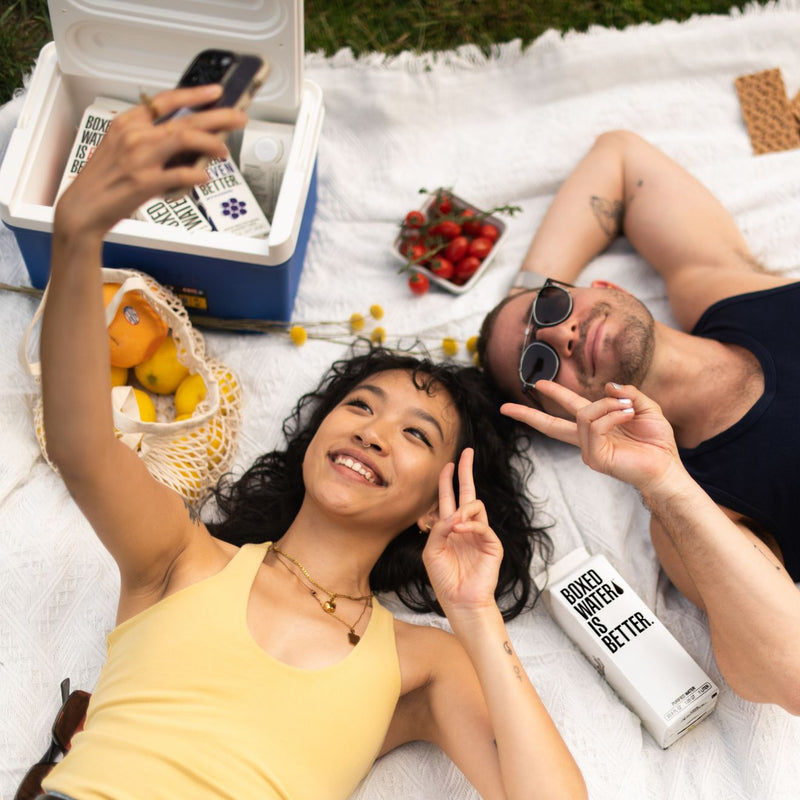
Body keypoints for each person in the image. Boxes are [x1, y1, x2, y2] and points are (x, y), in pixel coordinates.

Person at [31, 84, 587, 800]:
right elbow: (83, 448)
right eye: (360, 405)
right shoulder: (180, 554)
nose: (373, 431)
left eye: (415, 434)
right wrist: (76, 233)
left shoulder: (421, 666)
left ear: (435, 504)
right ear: (317, 438)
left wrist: (475, 615)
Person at [477, 129, 800, 714]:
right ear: (560, 414)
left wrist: (528, 289)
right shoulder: (692, 511)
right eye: (537, 361)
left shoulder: (724, 289)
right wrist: (665, 484)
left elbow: (620, 157)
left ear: (604, 285)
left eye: (549, 309)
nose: (559, 332)